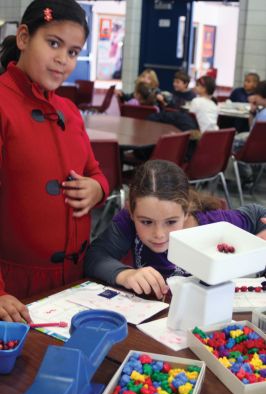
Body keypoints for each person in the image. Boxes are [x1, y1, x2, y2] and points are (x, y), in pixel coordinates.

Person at [0, 0, 109, 322]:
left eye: (74, 52)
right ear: (23, 38)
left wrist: (98, 189)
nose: (63, 59)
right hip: (14, 290)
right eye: (53, 44)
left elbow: (95, 172)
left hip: (74, 281)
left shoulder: (70, 111)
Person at [85, 160, 266, 300]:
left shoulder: (214, 224)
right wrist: (124, 274)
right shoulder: (127, 222)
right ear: (131, 212)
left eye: (171, 222)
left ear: (187, 211)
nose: (159, 234)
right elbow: (95, 256)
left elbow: (257, 213)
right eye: (146, 222)